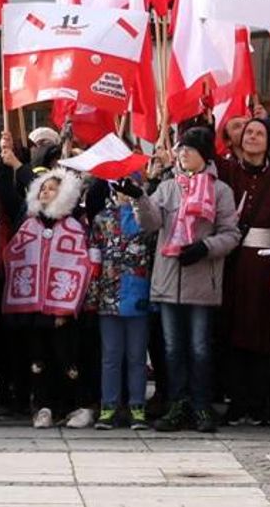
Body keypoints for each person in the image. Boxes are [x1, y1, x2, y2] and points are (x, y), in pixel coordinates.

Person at [133, 127, 241, 433]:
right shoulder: (168, 188)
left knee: (199, 347)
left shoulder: (220, 191)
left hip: (201, 283)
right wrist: (139, 197)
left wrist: (204, 248)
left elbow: (231, 234)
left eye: (189, 150)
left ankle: (201, 405)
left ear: (204, 154)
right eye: (180, 150)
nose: (182, 154)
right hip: (168, 281)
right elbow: (151, 223)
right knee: (171, 348)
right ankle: (176, 404)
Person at [0, 167, 97, 429]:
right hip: (34, 307)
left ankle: (77, 405)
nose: (45, 192)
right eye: (42, 188)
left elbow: (80, 266)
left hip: (62, 307)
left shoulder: (73, 226)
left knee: (67, 357)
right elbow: (14, 258)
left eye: (52, 188)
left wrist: (68, 304)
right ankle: (42, 406)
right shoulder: (29, 224)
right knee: (37, 359)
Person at [216, 118, 270, 426]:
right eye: (248, 132)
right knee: (232, 334)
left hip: (264, 268)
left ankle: (259, 403)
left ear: (268, 141)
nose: (251, 137)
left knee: (263, 339)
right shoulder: (228, 173)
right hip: (233, 265)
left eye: (258, 133)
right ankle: (236, 403)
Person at [87, 174, 153, 430]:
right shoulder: (102, 218)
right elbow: (94, 258)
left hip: (138, 295)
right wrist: (93, 296)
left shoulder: (144, 219)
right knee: (111, 355)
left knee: (137, 356)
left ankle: (137, 406)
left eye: (130, 187)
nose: (124, 191)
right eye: (120, 187)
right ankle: (109, 406)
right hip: (108, 294)